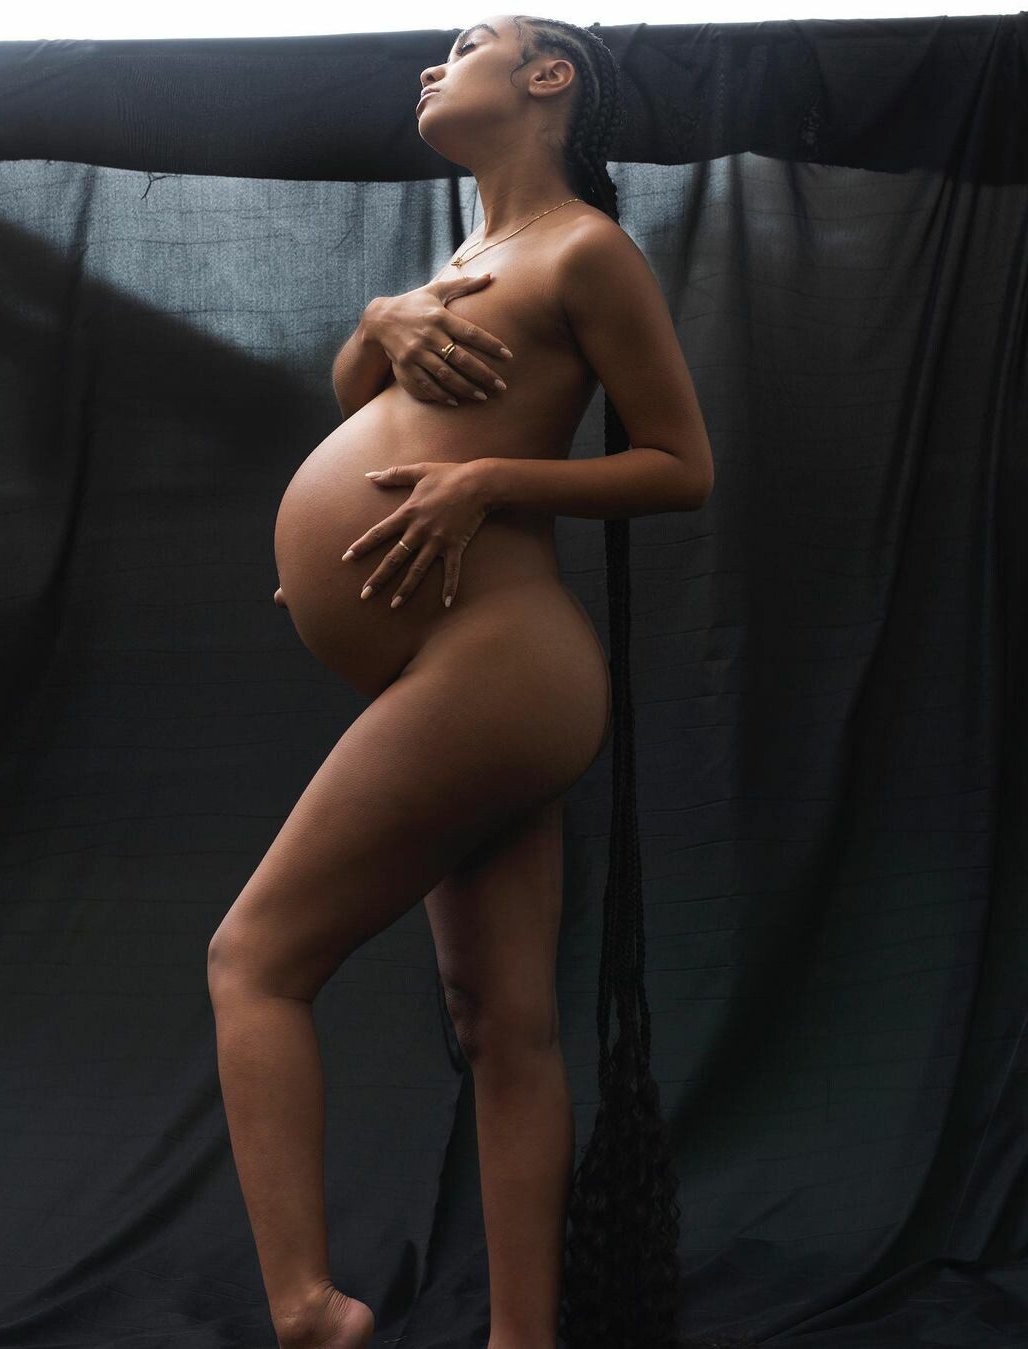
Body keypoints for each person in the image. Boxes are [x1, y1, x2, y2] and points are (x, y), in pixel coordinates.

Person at [210, 15, 747, 1349]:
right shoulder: (459, 267)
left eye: (467, 42)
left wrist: (487, 482)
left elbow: (682, 466)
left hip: (500, 663)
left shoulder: (584, 250)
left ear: (548, 77)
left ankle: (308, 1313)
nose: (430, 66)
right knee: (500, 1020)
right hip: (462, 668)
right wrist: (378, 319)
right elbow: (360, 406)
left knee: (253, 962)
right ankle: (523, 1338)